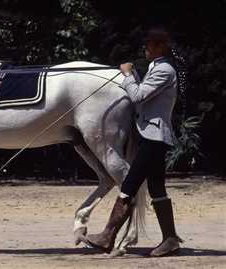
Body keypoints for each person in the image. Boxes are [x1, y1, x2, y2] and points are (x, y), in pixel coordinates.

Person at [82, 27, 183, 257]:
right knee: (157, 189)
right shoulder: (156, 68)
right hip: (152, 135)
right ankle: (170, 239)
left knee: (129, 186)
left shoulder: (164, 70)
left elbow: (138, 96)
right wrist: (134, 77)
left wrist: (128, 76)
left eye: (149, 44)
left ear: (160, 47)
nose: (145, 48)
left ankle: (108, 235)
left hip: (153, 137)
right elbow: (142, 97)